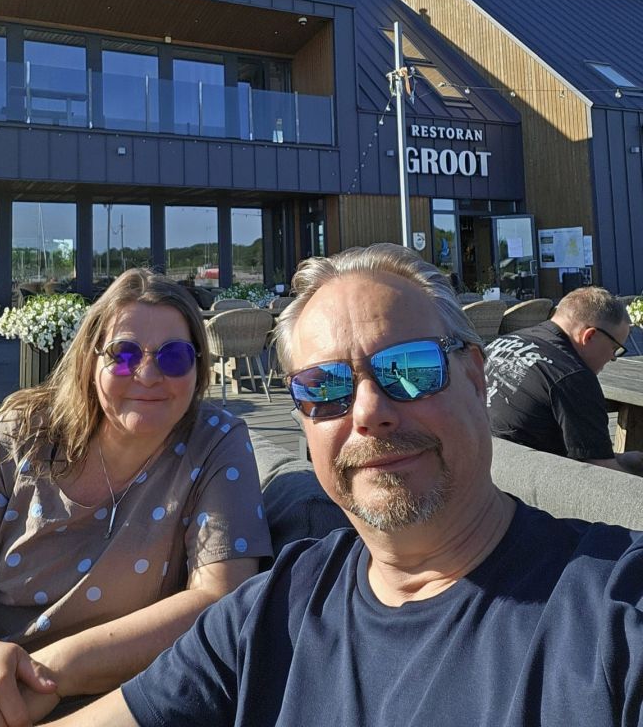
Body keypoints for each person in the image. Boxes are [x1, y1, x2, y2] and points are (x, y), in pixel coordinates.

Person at [46, 244, 643, 727]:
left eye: (411, 368)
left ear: (475, 376)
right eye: (325, 386)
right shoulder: (270, 613)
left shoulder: (614, 611)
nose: (368, 411)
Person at [0, 269, 272, 726]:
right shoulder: (21, 435)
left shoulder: (214, 441)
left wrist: (48, 674)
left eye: (174, 357)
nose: (147, 374)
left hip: (111, 702)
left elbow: (220, 596)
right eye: (123, 354)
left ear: (198, 367)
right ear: (89, 360)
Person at [486, 286, 643, 473]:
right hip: (520, 480)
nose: (613, 358)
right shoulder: (573, 376)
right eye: (614, 348)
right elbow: (603, 473)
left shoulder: (503, 341)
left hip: (482, 464)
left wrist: (627, 460)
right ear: (589, 336)